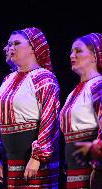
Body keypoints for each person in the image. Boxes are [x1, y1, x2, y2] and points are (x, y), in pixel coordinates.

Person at [0, 27, 60, 188]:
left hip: (35, 159)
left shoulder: (44, 77)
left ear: (33, 47)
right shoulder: (7, 79)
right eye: (9, 44)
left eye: (16, 43)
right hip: (12, 159)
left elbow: (49, 119)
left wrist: (37, 157)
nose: (11, 48)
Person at [60, 33, 102, 189]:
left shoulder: (98, 86)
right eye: (71, 51)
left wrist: (98, 167)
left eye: (78, 51)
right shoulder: (73, 93)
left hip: (92, 172)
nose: (72, 55)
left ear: (94, 56)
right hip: (73, 172)